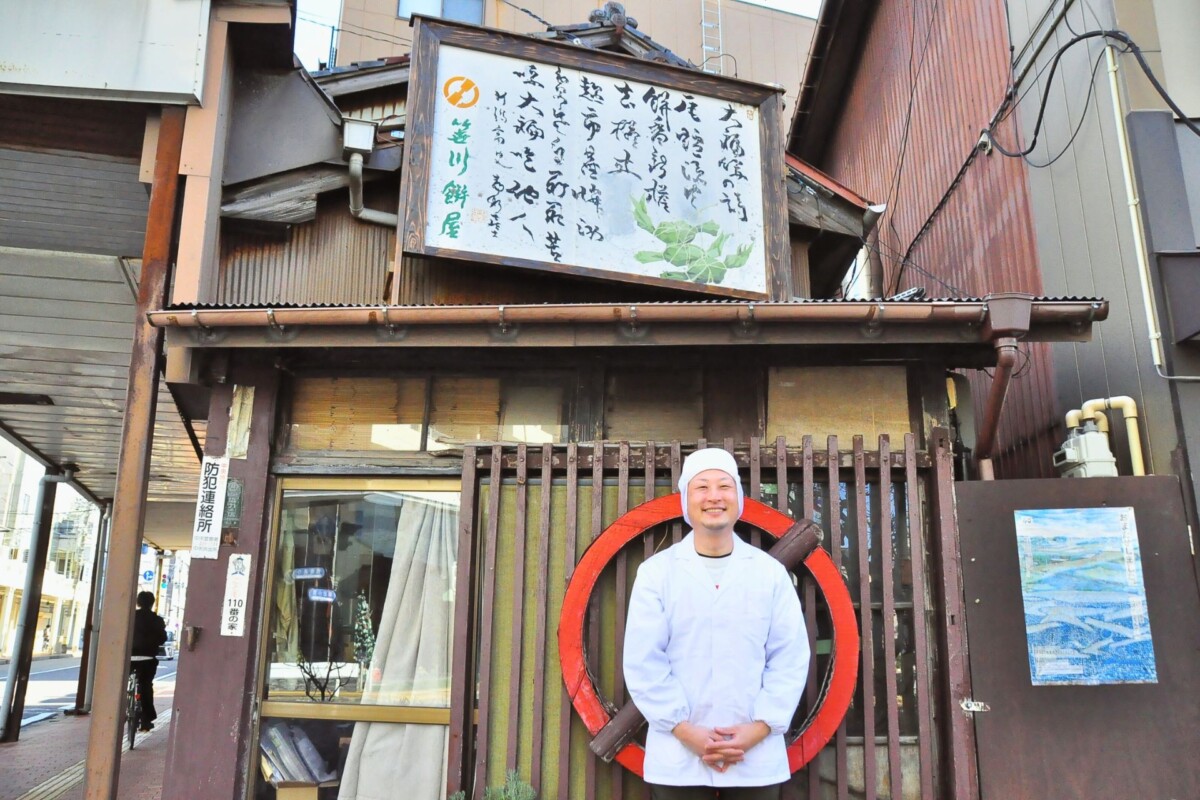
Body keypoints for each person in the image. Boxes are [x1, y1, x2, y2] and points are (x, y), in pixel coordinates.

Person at [624, 448, 810, 799]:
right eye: (702, 487)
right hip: (678, 757)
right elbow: (643, 660)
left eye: (724, 486)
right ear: (686, 500)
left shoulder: (769, 574)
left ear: (738, 499)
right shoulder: (656, 574)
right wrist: (684, 730)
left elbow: (790, 657)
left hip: (754, 756)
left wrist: (758, 729)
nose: (714, 497)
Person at [131, 590, 168, 731]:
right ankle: (146, 721)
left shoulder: (130, 617)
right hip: (147, 659)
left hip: (129, 658)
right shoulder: (157, 620)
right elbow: (162, 638)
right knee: (146, 685)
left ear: (138, 603)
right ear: (152, 603)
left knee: (121, 683)